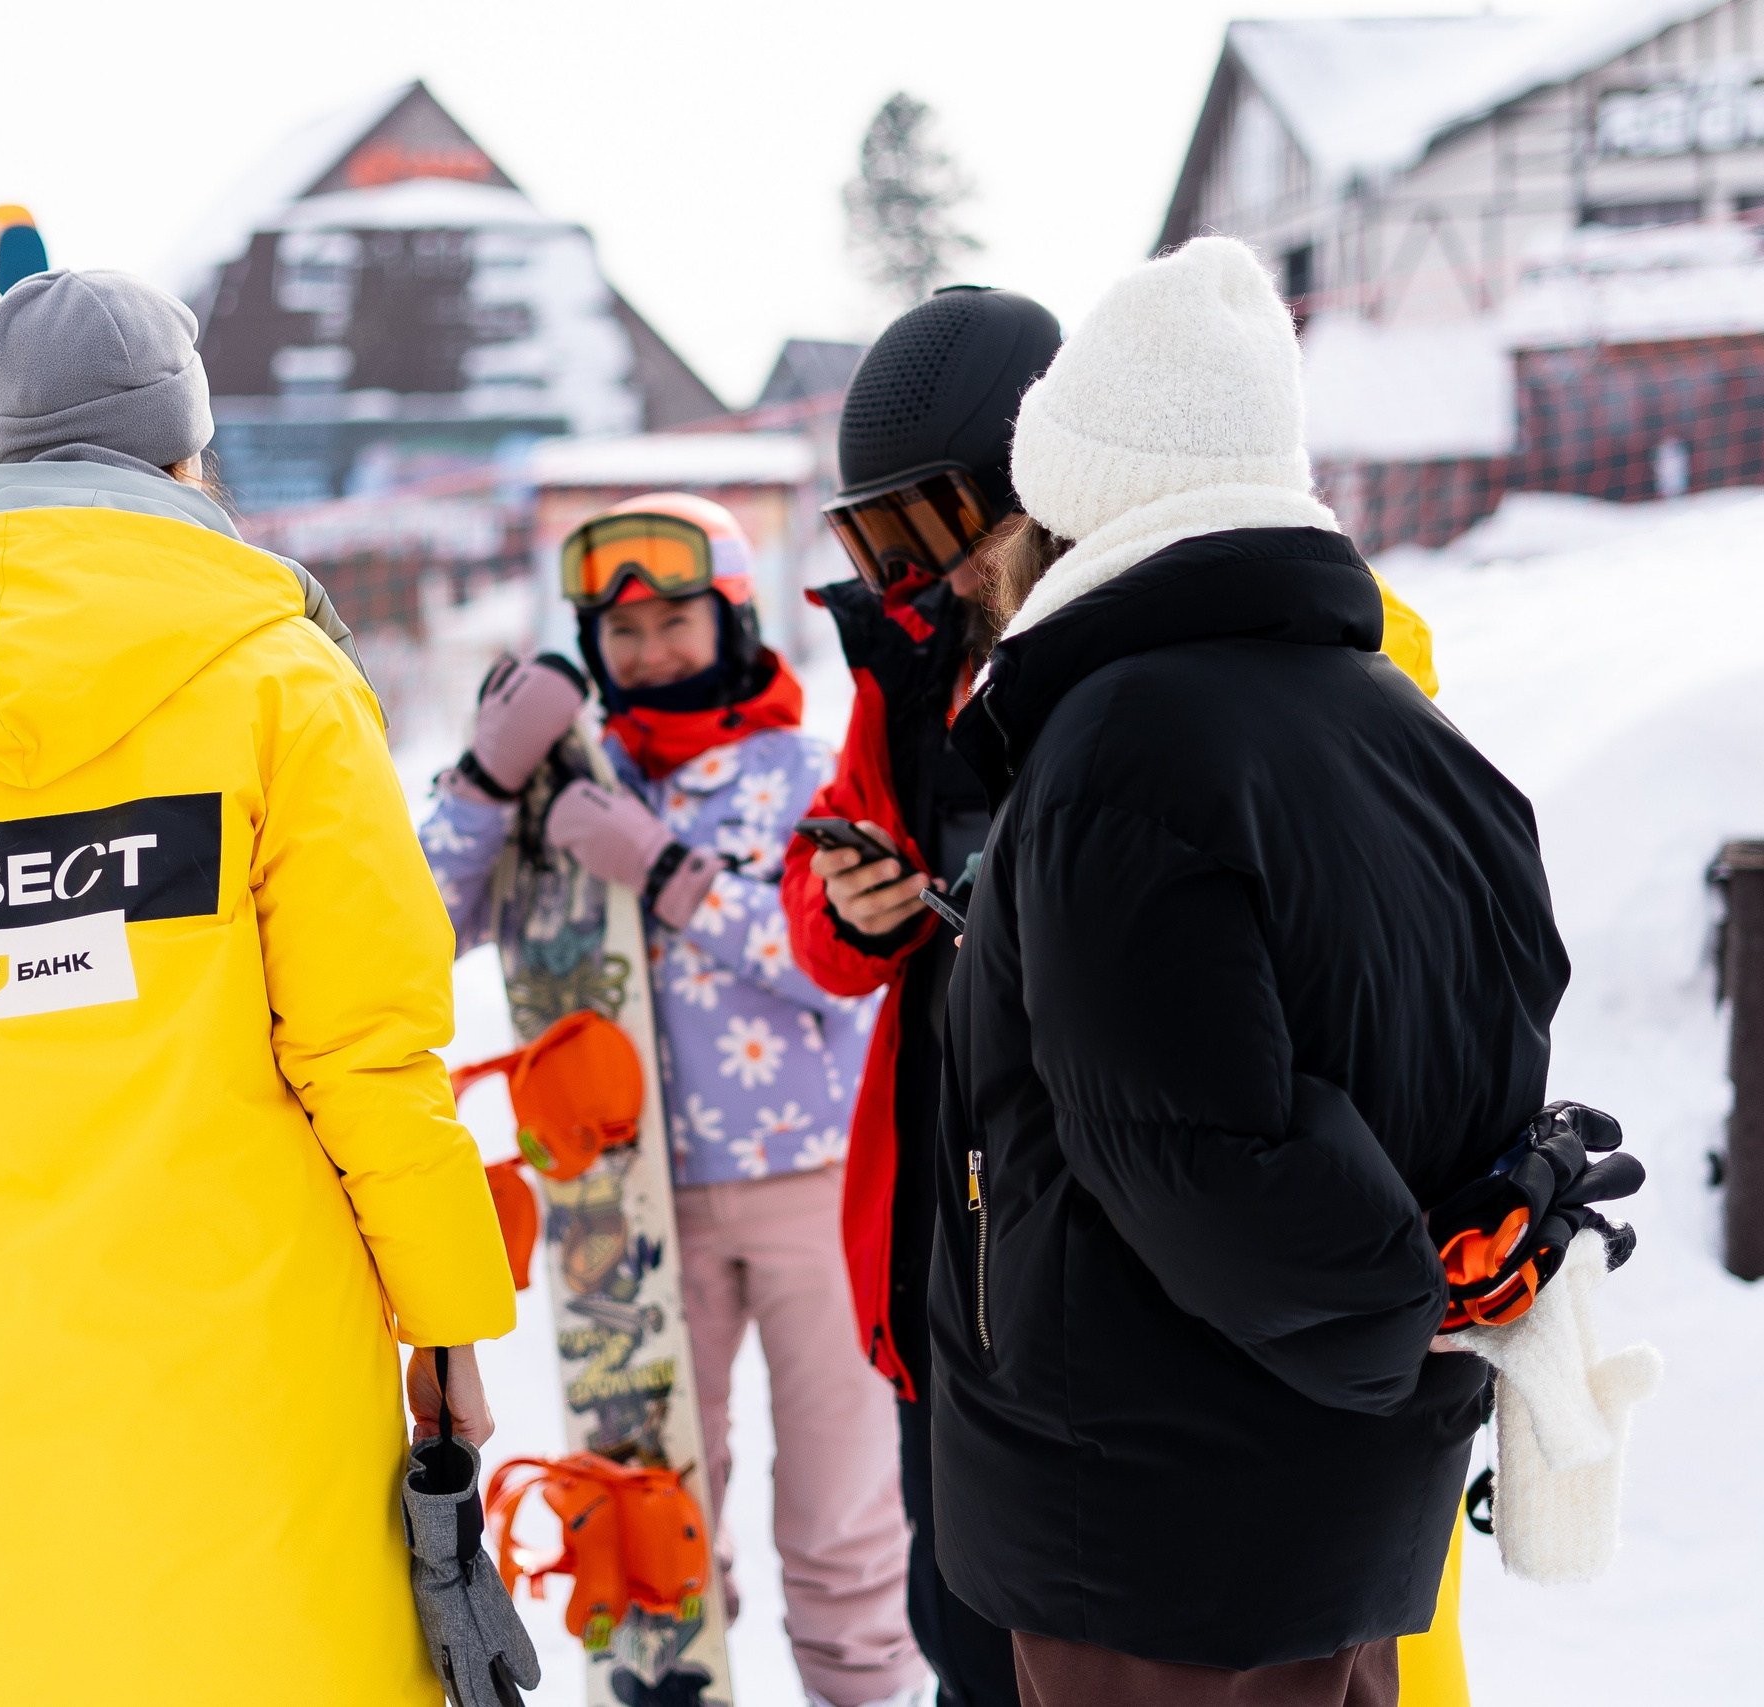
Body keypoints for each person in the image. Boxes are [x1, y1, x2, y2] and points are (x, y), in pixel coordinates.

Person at [0, 267, 516, 1704]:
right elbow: (370, 1051)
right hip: (257, 1390)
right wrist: (448, 1322)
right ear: (182, 451)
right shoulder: (279, 683)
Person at [928, 236, 1568, 1706]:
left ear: (1079, 491)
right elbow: (1483, 1076)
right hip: (1348, 1502)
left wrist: (1393, 1304)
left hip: (1159, 1528)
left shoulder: (1121, 750)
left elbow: (1210, 1160)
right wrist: (1423, 1319)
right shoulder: (1405, 732)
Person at [422, 494, 920, 1707]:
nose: (646, 651)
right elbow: (419, 924)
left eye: (675, 618)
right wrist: (488, 782)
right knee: (653, 1506)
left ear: (735, 614)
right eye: (618, 629)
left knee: (841, 1511)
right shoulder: (558, 795)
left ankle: (864, 1686)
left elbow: (842, 972)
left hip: (816, 1189)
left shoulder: (809, 770)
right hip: (630, 1211)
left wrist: (666, 871)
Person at [782, 285, 1059, 1707]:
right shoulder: (909, 665)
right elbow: (820, 914)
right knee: (959, 1629)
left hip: (1084, 1255)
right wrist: (849, 906)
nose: (921, 573)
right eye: (877, 539)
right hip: (939, 1249)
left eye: (935, 529)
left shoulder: (1125, 663)